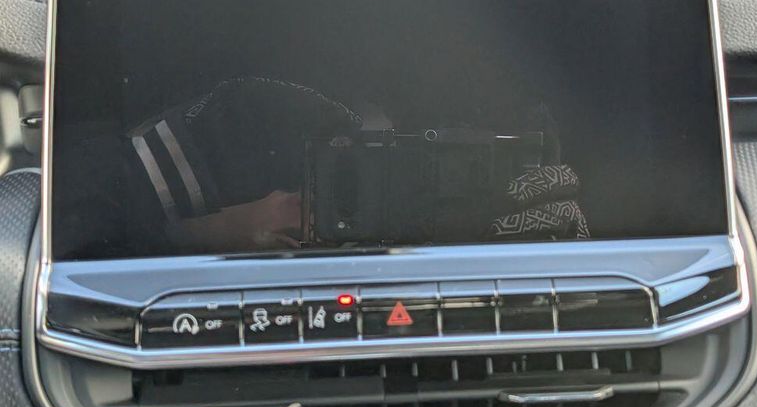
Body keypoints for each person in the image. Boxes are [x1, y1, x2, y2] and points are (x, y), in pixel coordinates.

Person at [125, 76, 588, 254]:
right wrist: (224, 232)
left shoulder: (510, 197)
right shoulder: (251, 115)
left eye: (452, 164)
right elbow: (113, 225)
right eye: (343, 166)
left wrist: (554, 256)